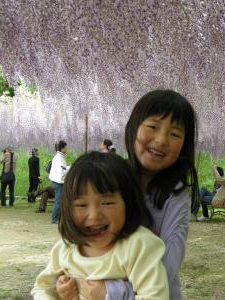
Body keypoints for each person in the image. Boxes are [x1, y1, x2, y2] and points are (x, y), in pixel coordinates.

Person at [58, 90, 199, 300]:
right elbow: (81, 238)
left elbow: (167, 268)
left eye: (175, 134)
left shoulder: (175, 196)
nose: (161, 140)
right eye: (153, 126)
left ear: (184, 146)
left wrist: (112, 292)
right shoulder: (112, 177)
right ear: (133, 128)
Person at [31, 151, 169, 299]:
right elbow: (41, 288)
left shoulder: (139, 246)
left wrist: (109, 295)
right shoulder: (65, 249)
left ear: (128, 203)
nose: (94, 215)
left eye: (107, 203)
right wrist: (57, 293)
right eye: (82, 205)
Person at [49, 140, 69, 224]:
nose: (67, 148)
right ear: (62, 148)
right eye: (66, 147)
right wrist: (70, 168)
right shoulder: (59, 158)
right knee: (58, 200)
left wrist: (68, 167)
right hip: (58, 182)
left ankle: (58, 217)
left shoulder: (60, 156)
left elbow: (63, 168)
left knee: (60, 200)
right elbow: (62, 170)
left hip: (58, 181)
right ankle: (54, 218)